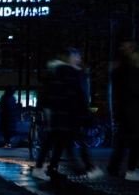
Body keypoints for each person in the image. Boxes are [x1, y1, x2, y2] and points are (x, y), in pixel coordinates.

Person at [31, 48, 103, 181]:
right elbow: (76, 95)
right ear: (69, 58)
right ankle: (88, 169)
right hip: (68, 114)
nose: (79, 59)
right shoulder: (69, 72)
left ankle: (46, 168)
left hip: (57, 114)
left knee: (55, 141)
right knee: (75, 141)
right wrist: (84, 114)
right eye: (77, 56)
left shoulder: (55, 70)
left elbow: (48, 93)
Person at [107, 39, 139, 181]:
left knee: (123, 142)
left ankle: (115, 167)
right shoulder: (130, 67)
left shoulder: (121, 66)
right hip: (132, 110)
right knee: (135, 141)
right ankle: (130, 170)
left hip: (125, 110)